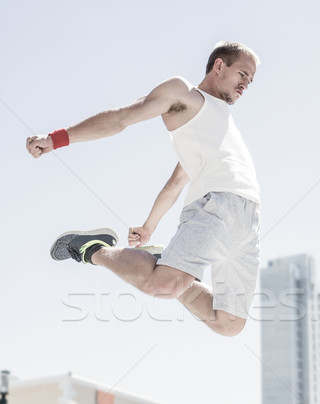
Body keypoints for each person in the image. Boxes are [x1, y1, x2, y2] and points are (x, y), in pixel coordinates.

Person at [26, 41, 261, 337]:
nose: (245, 84)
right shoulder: (184, 94)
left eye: (250, 80)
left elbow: (177, 182)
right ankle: (92, 248)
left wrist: (149, 226)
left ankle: (163, 261)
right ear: (218, 66)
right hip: (218, 206)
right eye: (242, 74)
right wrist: (56, 139)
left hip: (249, 221)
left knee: (229, 324)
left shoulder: (217, 126)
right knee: (162, 285)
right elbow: (120, 118)